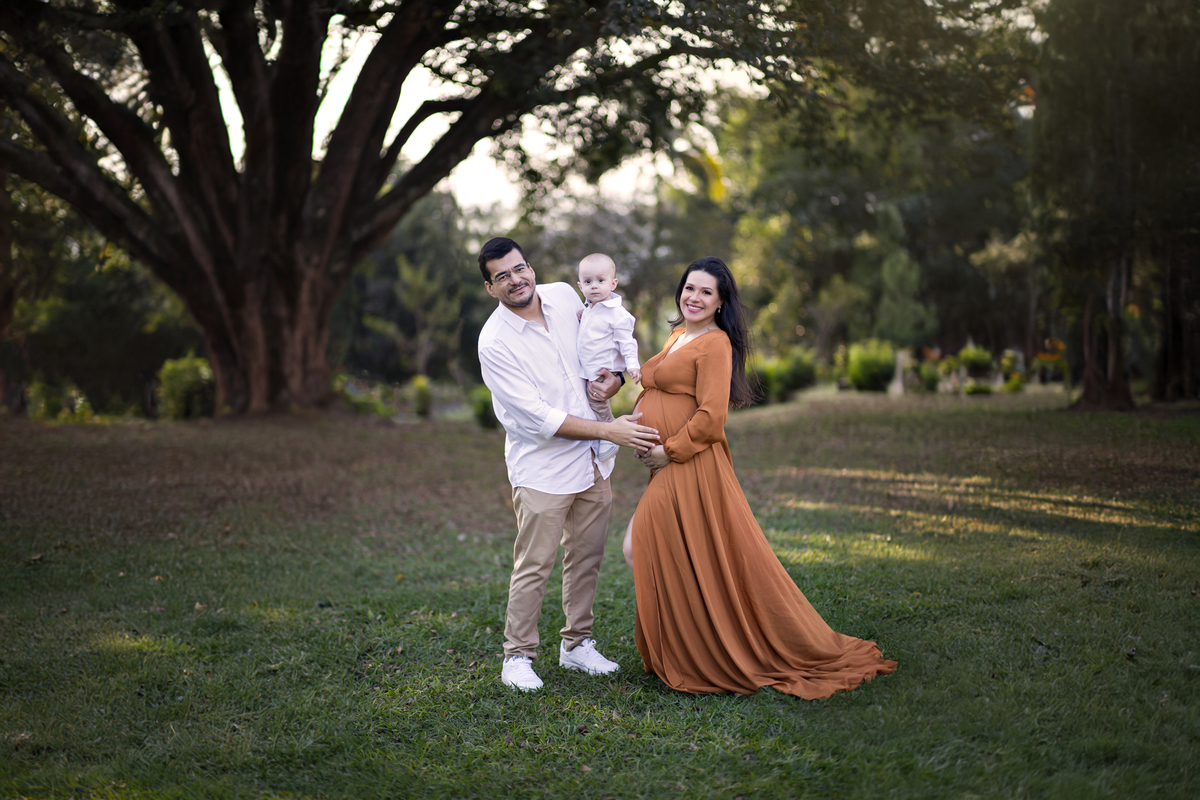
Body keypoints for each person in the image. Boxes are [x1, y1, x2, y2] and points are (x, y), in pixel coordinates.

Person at [625, 256, 897, 699]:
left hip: (689, 464)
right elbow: (655, 386)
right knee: (687, 554)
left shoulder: (715, 344)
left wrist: (666, 450)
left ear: (720, 302)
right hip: (671, 463)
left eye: (705, 292)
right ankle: (690, 643)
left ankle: (699, 648)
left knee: (637, 547)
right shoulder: (678, 334)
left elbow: (712, 419)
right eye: (689, 288)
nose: (693, 297)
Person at [477, 237, 661, 692]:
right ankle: (517, 656)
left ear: (530, 267)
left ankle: (576, 644)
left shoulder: (563, 294)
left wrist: (614, 379)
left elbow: (604, 345)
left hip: (592, 461)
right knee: (534, 564)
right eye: (502, 276)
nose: (515, 279)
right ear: (490, 287)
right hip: (542, 469)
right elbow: (537, 417)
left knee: (587, 556)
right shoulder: (494, 342)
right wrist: (609, 430)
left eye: (519, 268)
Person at [575, 253, 642, 460]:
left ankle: (610, 433)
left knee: (597, 401)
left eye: (600, 281)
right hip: (590, 368)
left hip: (603, 369)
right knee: (590, 402)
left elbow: (627, 342)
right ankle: (602, 432)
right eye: (588, 281)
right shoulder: (589, 309)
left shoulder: (617, 314)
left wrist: (632, 366)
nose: (594, 286)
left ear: (613, 284)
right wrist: (582, 317)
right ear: (580, 286)